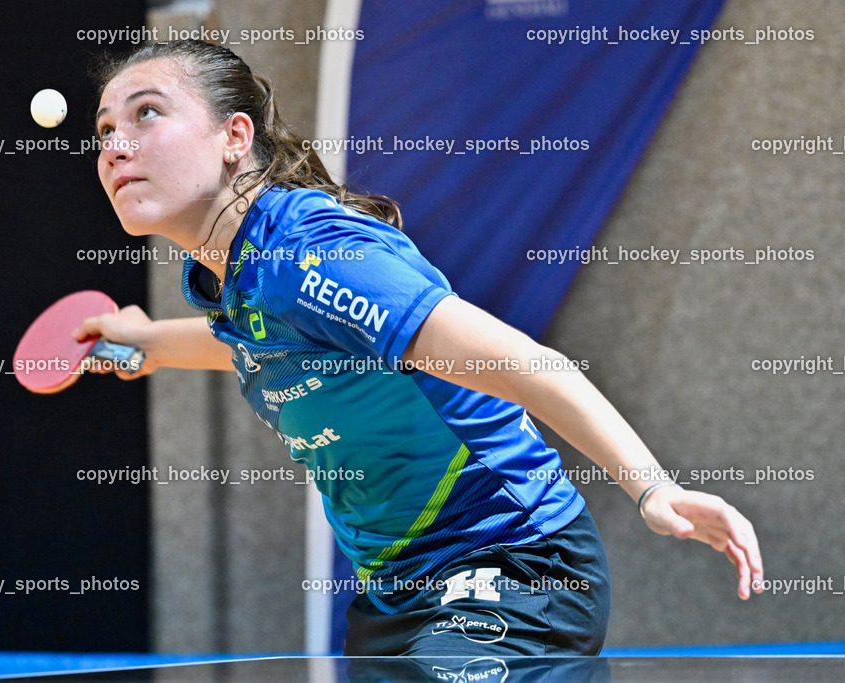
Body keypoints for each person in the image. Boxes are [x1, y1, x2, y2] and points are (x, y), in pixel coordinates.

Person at [77, 40, 763, 656]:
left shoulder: (311, 255)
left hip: (513, 562)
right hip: (396, 595)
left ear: (234, 135)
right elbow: (271, 346)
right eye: (106, 130)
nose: (116, 145)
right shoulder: (236, 279)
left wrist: (651, 487)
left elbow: (521, 362)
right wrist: (152, 343)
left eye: (145, 115)